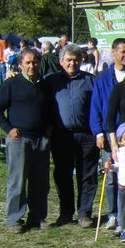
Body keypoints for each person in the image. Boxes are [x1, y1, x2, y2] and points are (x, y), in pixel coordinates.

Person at [0, 49, 53, 233]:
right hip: (20, 139)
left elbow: (49, 108)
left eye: (35, 62)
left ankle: (38, 216)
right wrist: (8, 129)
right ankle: (14, 218)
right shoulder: (12, 83)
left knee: (40, 182)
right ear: (20, 64)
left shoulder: (44, 84)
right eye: (28, 62)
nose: (32, 66)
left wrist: (48, 127)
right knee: (17, 181)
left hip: (40, 140)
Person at [45, 43, 97, 228]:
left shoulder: (90, 80)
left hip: (87, 135)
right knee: (63, 174)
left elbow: (98, 107)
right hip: (61, 136)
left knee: (87, 175)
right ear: (61, 61)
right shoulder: (51, 81)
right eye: (68, 60)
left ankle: (84, 213)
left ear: (81, 60)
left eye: (76, 59)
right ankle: (66, 212)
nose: (72, 63)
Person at [89, 38, 125, 230]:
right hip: (109, 134)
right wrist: (98, 132)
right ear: (113, 53)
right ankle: (113, 213)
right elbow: (96, 106)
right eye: (122, 51)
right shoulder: (103, 79)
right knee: (112, 176)